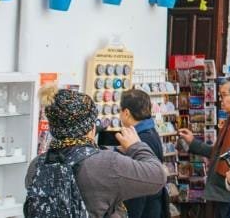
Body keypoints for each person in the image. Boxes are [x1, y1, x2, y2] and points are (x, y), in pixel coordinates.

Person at [24, 86, 166, 218]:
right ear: (90, 128)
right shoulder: (107, 164)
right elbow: (158, 176)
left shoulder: (36, 166)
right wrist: (135, 145)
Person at [180, 75, 230, 218]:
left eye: (224, 95)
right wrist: (193, 142)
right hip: (223, 193)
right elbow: (221, 154)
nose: (221, 100)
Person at [119, 89, 169, 218]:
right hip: (152, 204)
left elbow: (139, 184)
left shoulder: (140, 139)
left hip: (146, 208)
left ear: (126, 113)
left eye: (120, 110)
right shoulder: (150, 132)